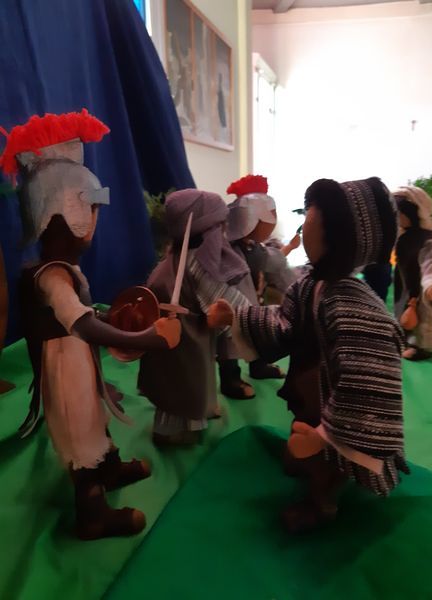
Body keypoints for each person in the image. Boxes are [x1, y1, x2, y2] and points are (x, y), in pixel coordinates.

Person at [0, 110, 181, 540]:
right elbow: (82, 325)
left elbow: (87, 318)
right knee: (80, 433)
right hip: (67, 372)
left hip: (78, 364)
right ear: (60, 215)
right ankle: (92, 511)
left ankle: (110, 467)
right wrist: (147, 338)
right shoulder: (53, 279)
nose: (95, 222)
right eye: (89, 209)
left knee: (95, 421)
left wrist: (117, 317)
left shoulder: (65, 272)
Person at [208, 177, 408, 532]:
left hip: (334, 402)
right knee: (302, 433)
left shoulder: (358, 308)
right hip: (309, 385)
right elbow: (283, 321)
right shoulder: (310, 285)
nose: (305, 232)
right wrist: (237, 317)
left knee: (322, 458)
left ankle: (322, 500)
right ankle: (311, 456)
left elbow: (367, 380)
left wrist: (327, 435)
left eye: (312, 224)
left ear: (341, 238)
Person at [138, 189, 250, 446]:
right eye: (219, 225)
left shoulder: (173, 259)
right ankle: (170, 431)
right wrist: (251, 318)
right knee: (183, 382)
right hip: (182, 338)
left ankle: (194, 417)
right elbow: (224, 302)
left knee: (185, 380)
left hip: (185, 333)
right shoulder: (197, 263)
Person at [217, 175, 285, 400]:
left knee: (255, 333)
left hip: (254, 300)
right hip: (231, 303)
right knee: (229, 341)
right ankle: (230, 379)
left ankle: (259, 366)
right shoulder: (226, 250)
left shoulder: (255, 247)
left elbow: (271, 262)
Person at [393, 186, 432, 360]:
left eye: (401, 213)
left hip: (423, 285)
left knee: (425, 316)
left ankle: (423, 347)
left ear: (414, 213)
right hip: (406, 281)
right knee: (403, 309)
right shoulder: (404, 236)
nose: (397, 217)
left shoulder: (428, 239)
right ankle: (405, 338)